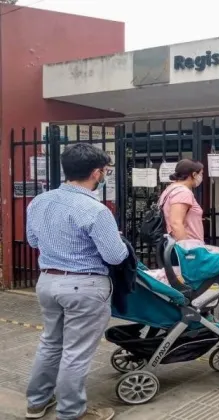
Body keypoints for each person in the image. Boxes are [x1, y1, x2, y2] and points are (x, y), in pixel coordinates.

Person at [25, 143, 129, 420]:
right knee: (76, 352)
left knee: (50, 343)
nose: (105, 174)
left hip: (48, 281)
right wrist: (115, 238)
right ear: (97, 172)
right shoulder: (95, 210)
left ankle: (36, 402)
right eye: (106, 170)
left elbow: (33, 241)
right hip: (85, 287)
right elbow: (115, 256)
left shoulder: (39, 202)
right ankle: (72, 412)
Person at [159, 158, 205, 242]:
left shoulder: (170, 189)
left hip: (177, 244)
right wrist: (186, 249)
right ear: (194, 175)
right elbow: (176, 223)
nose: (201, 177)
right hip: (189, 248)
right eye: (201, 174)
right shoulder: (183, 192)